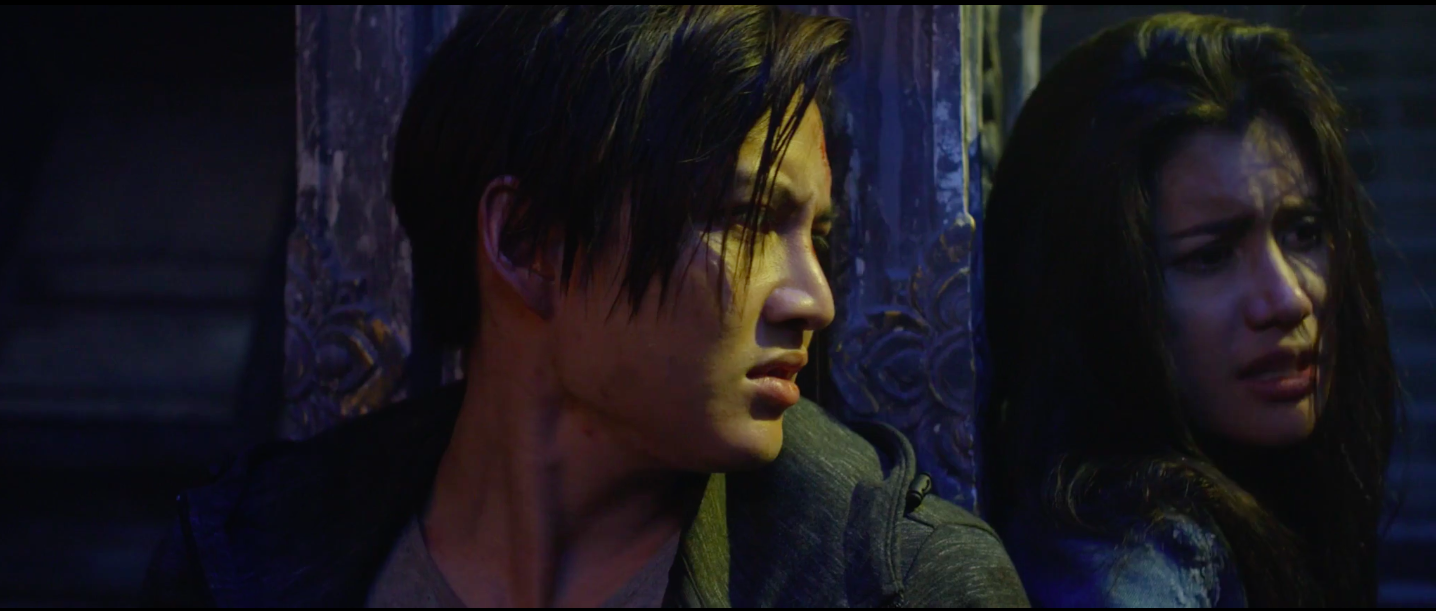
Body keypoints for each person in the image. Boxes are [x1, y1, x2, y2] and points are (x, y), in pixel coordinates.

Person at [142, 5, 1029, 608]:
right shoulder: (247, 559)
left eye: (816, 237)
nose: (814, 300)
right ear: (529, 241)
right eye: (746, 220)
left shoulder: (904, 584)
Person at [979, 12, 1399, 608]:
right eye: (1211, 256)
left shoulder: (1250, 497)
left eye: (1303, 231)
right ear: (1097, 297)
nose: (1289, 299)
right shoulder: (1135, 561)